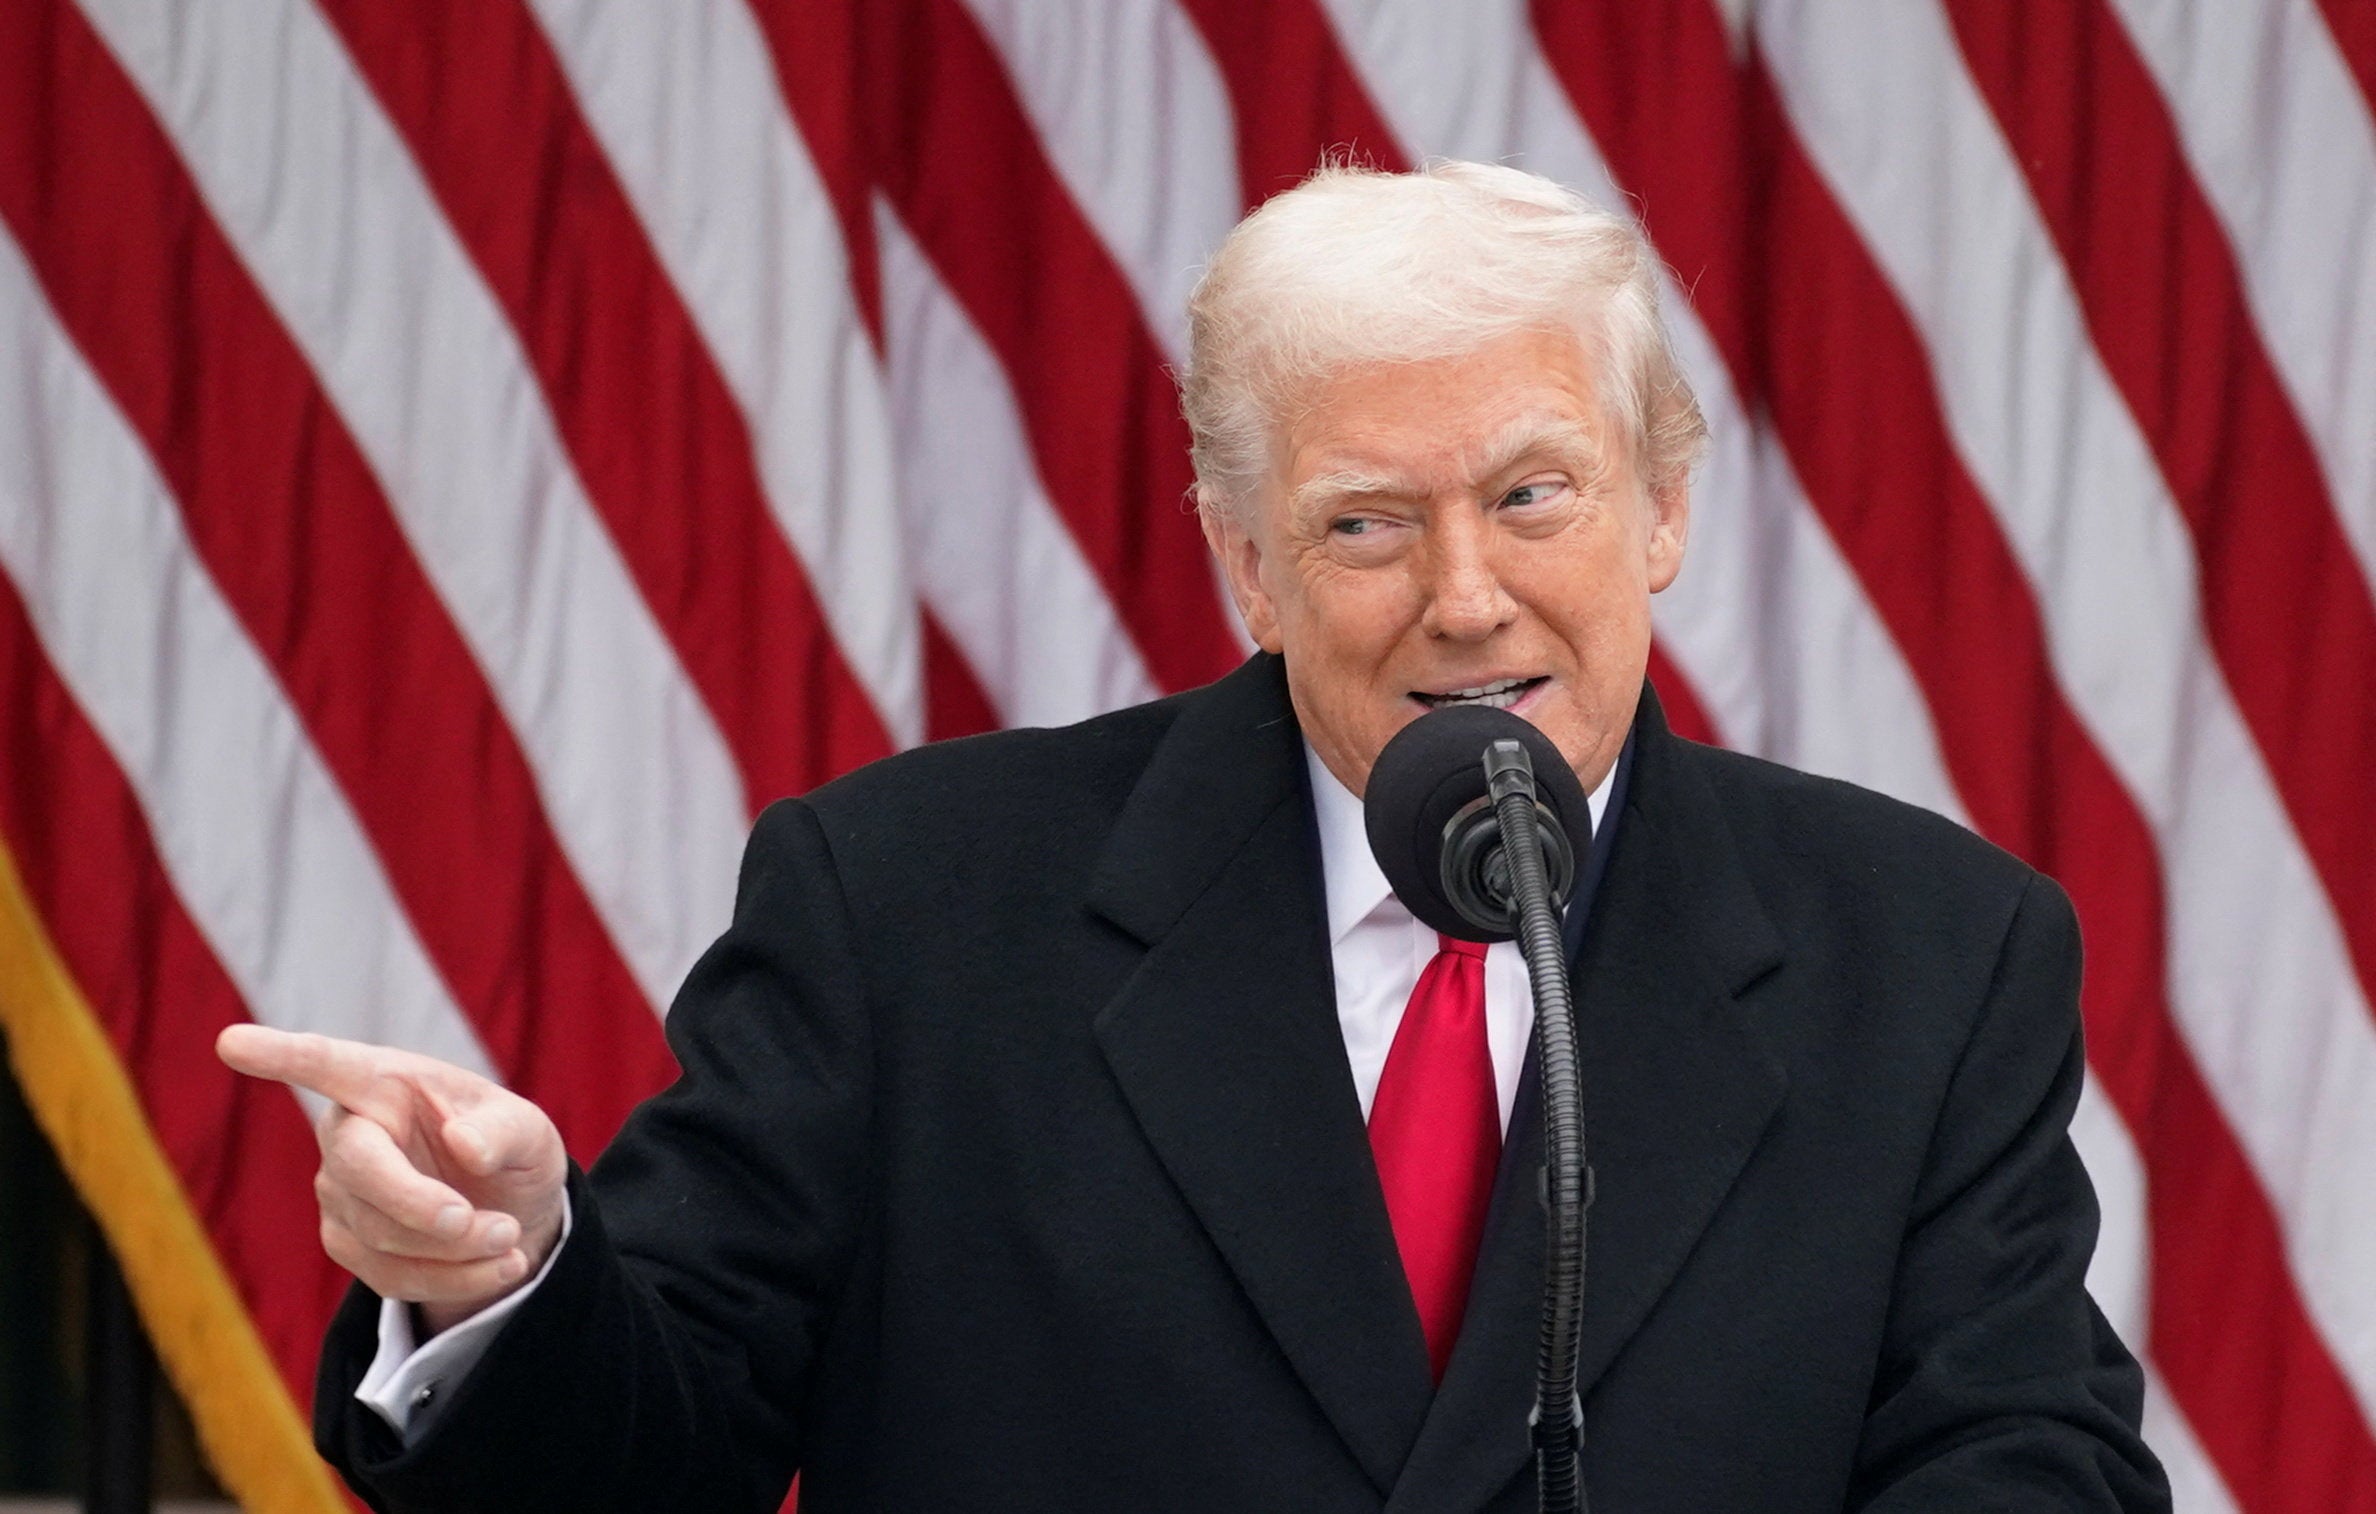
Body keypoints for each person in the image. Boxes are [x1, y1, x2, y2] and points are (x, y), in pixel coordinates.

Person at [220, 161, 2169, 1512]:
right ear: (1244, 561)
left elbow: (2026, 1458)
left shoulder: (1929, 949)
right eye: (1363, 523)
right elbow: (650, 1461)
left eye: (1535, 492)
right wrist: (500, 1282)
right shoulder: (911, 909)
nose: (1468, 595)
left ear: (1661, 510)